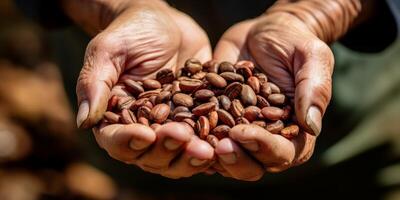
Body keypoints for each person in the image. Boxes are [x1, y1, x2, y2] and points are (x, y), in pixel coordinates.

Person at [15, 0, 399, 183]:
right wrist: (113, 7)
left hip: (349, 148)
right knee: (139, 164)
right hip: (140, 157)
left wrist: (316, 13)